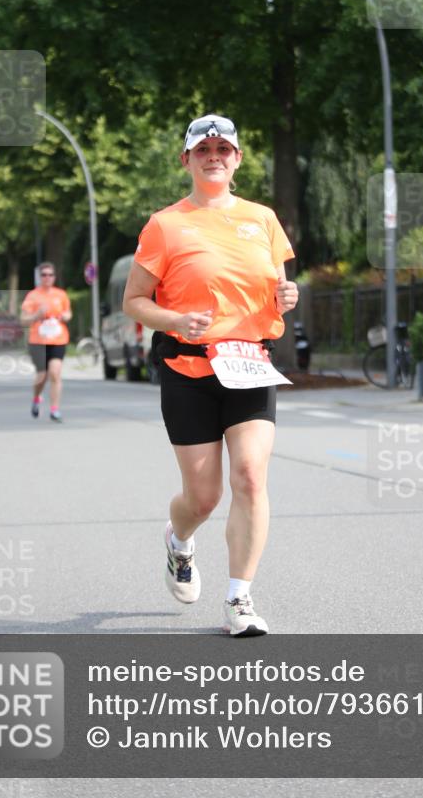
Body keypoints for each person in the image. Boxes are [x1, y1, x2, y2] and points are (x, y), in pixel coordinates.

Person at [123, 114, 298, 636]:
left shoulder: (263, 219)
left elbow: (279, 295)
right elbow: (133, 300)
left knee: (249, 476)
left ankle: (239, 599)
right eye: (204, 149)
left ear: (237, 159)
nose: (214, 155)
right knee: (203, 497)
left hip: (249, 365)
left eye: (224, 148)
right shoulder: (165, 225)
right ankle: (179, 542)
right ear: (187, 160)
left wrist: (289, 298)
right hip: (187, 368)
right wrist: (175, 319)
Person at [21, 262, 72, 422]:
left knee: (55, 374)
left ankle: (54, 410)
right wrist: (36, 314)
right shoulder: (32, 296)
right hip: (38, 341)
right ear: (40, 277)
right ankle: (36, 398)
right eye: (44, 275)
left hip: (58, 339)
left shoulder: (61, 294)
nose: (47, 277)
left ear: (54, 277)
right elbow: (23, 320)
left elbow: (68, 312)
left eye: (50, 275)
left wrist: (66, 316)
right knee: (42, 376)